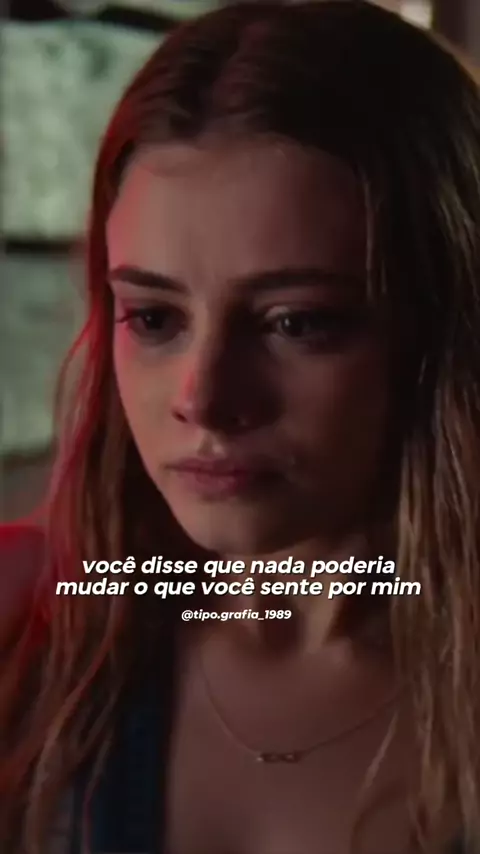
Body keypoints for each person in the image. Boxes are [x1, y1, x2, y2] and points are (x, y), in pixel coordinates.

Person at [1, 1, 480, 851]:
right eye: (154, 318)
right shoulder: (43, 649)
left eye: (296, 322)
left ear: (446, 329)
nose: (205, 398)